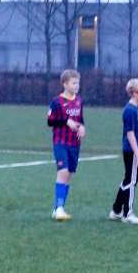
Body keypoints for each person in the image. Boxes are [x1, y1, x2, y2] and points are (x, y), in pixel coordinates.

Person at [46, 70, 85, 221]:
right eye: (74, 83)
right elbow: (50, 121)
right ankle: (59, 209)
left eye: (78, 83)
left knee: (68, 175)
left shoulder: (79, 101)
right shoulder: (57, 102)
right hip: (60, 142)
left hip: (74, 143)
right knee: (62, 172)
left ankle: (58, 208)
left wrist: (82, 127)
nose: (77, 85)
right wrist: (66, 121)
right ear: (65, 84)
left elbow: (80, 119)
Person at [110, 78, 138, 225]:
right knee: (131, 182)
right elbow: (130, 134)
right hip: (131, 152)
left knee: (128, 180)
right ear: (134, 93)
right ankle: (127, 214)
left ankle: (116, 210)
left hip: (136, 151)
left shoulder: (135, 109)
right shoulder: (130, 111)